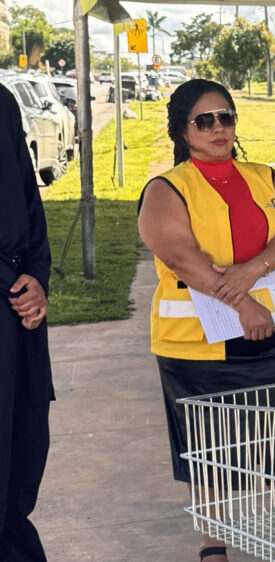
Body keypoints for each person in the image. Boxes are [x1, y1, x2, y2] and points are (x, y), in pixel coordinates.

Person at [138, 79, 275, 562]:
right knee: (210, 455)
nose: (218, 128)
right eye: (204, 120)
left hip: (274, 337)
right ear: (183, 130)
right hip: (196, 348)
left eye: (226, 117)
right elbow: (182, 257)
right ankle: (213, 546)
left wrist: (253, 270)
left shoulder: (266, 177)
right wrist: (244, 304)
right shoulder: (166, 189)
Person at [0, 82, 53, 562]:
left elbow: (29, 201)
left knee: (24, 450)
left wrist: (37, 276)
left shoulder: (2, 102)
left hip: (19, 312)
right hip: (8, 290)